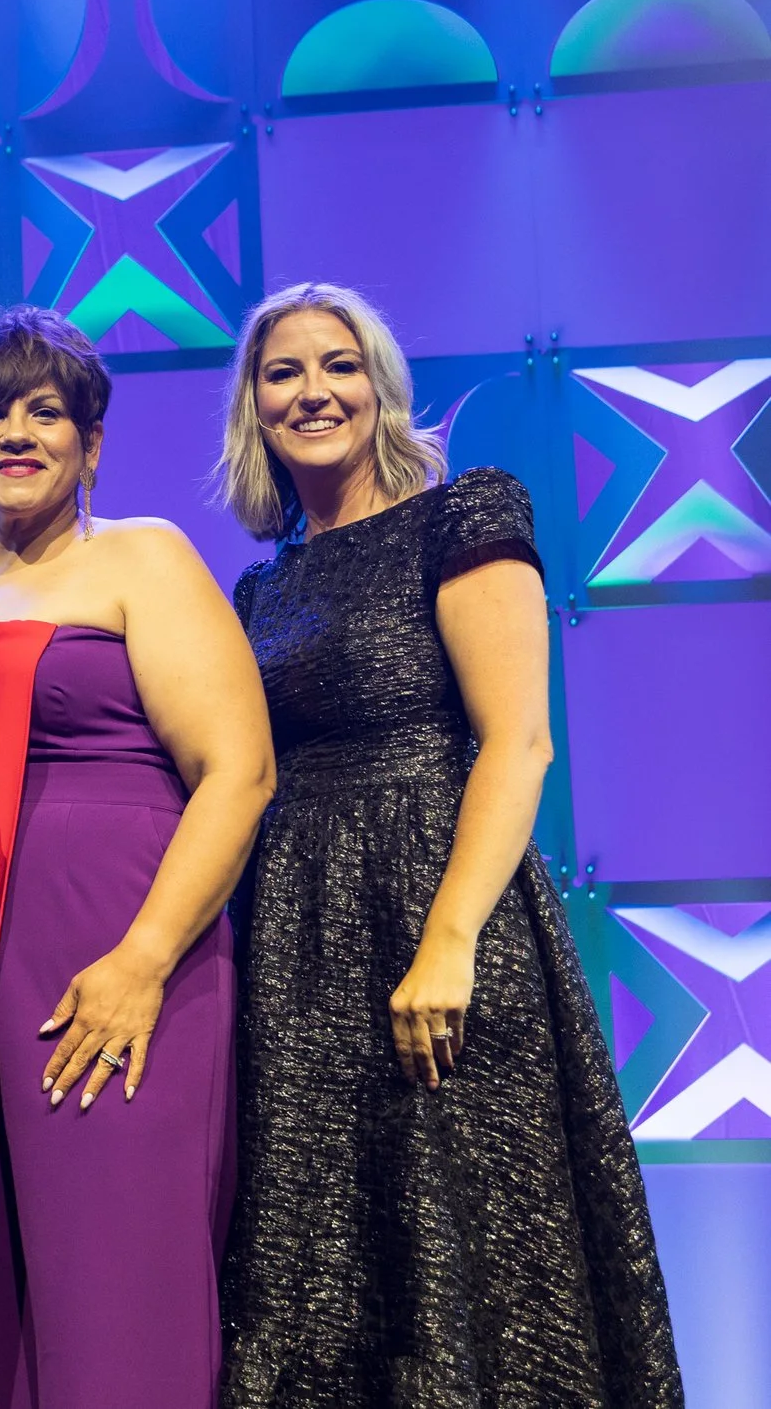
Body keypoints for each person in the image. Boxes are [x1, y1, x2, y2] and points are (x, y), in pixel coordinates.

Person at [214, 283, 682, 1406]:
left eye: (339, 363)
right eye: (282, 371)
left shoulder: (464, 511)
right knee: (323, 1259)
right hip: (296, 943)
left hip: (442, 910)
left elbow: (516, 743)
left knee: (478, 1247)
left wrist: (449, 940)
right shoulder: (256, 585)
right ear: (252, 406)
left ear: (380, 384)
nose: (312, 389)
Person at [0, 307, 273, 1409]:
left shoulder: (143, 557)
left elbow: (237, 772)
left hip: (119, 963)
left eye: (45, 410)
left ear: (91, 443)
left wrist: (141, 961)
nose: (15, 433)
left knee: (115, 1290)